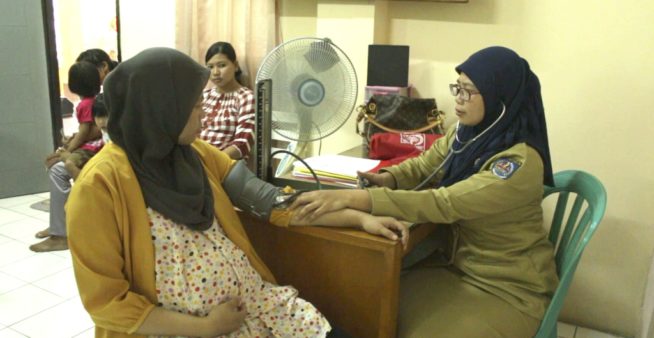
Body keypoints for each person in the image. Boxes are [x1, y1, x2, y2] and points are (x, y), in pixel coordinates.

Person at [65, 47, 407, 338]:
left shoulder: (195, 155)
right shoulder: (98, 188)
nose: (204, 111)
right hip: (181, 329)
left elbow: (271, 202)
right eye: (195, 105)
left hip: (252, 307)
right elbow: (107, 304)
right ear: (160, 109)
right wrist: (205, 328)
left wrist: (360, 219)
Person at [290, 46, 559, 337]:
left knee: (386, 314)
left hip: (508, 288)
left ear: (500, 98)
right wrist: (387, 178)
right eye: (457, 87)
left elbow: (445, 202)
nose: (458, 98)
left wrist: (358, 198)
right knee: (362, 302)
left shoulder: (518, 162)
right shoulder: (466, 133)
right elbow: (423, 165)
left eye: (468, 91)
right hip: (456, 267)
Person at [30, 49, 118, 252]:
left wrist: (68, 148)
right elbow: (94, 128)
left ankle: (62, 232)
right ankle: (61, 223)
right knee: (55, 163)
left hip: (107, 150)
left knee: (58, 168)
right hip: (100, 144)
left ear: (103, 68)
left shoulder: (114, 88)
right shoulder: (99, 95)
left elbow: (95, 128)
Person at [200, 41, 255, 160]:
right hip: (196, 161)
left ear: (235, 66)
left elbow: (243, 143)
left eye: (221, 65)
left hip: (224, 164)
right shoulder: (203, 96)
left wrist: (212, 161)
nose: (215, 72)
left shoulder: (246, 97)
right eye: (210, 67)